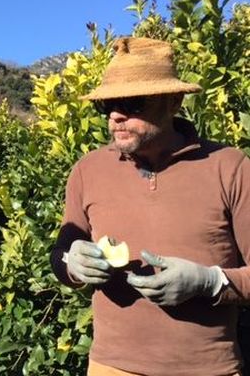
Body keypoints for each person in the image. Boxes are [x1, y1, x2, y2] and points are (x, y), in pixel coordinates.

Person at [50, 37, 250, 375]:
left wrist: (207, 282)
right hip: (110, 367)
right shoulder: (89, 169)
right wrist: (73, 264)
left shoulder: (229, 167)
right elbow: (61, 253)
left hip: (208, 369)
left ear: (174, 101)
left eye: (133, 102)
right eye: (107, 106)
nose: (115, 116)